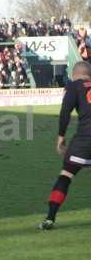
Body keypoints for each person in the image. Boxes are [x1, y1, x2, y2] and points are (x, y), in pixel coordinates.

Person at [39, 61, 91, 230]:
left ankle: (50, 218)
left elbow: (65, 112)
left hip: (84, 140)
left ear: (74, 75)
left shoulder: (74, 86)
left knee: (66, 175)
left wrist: (61, 136)